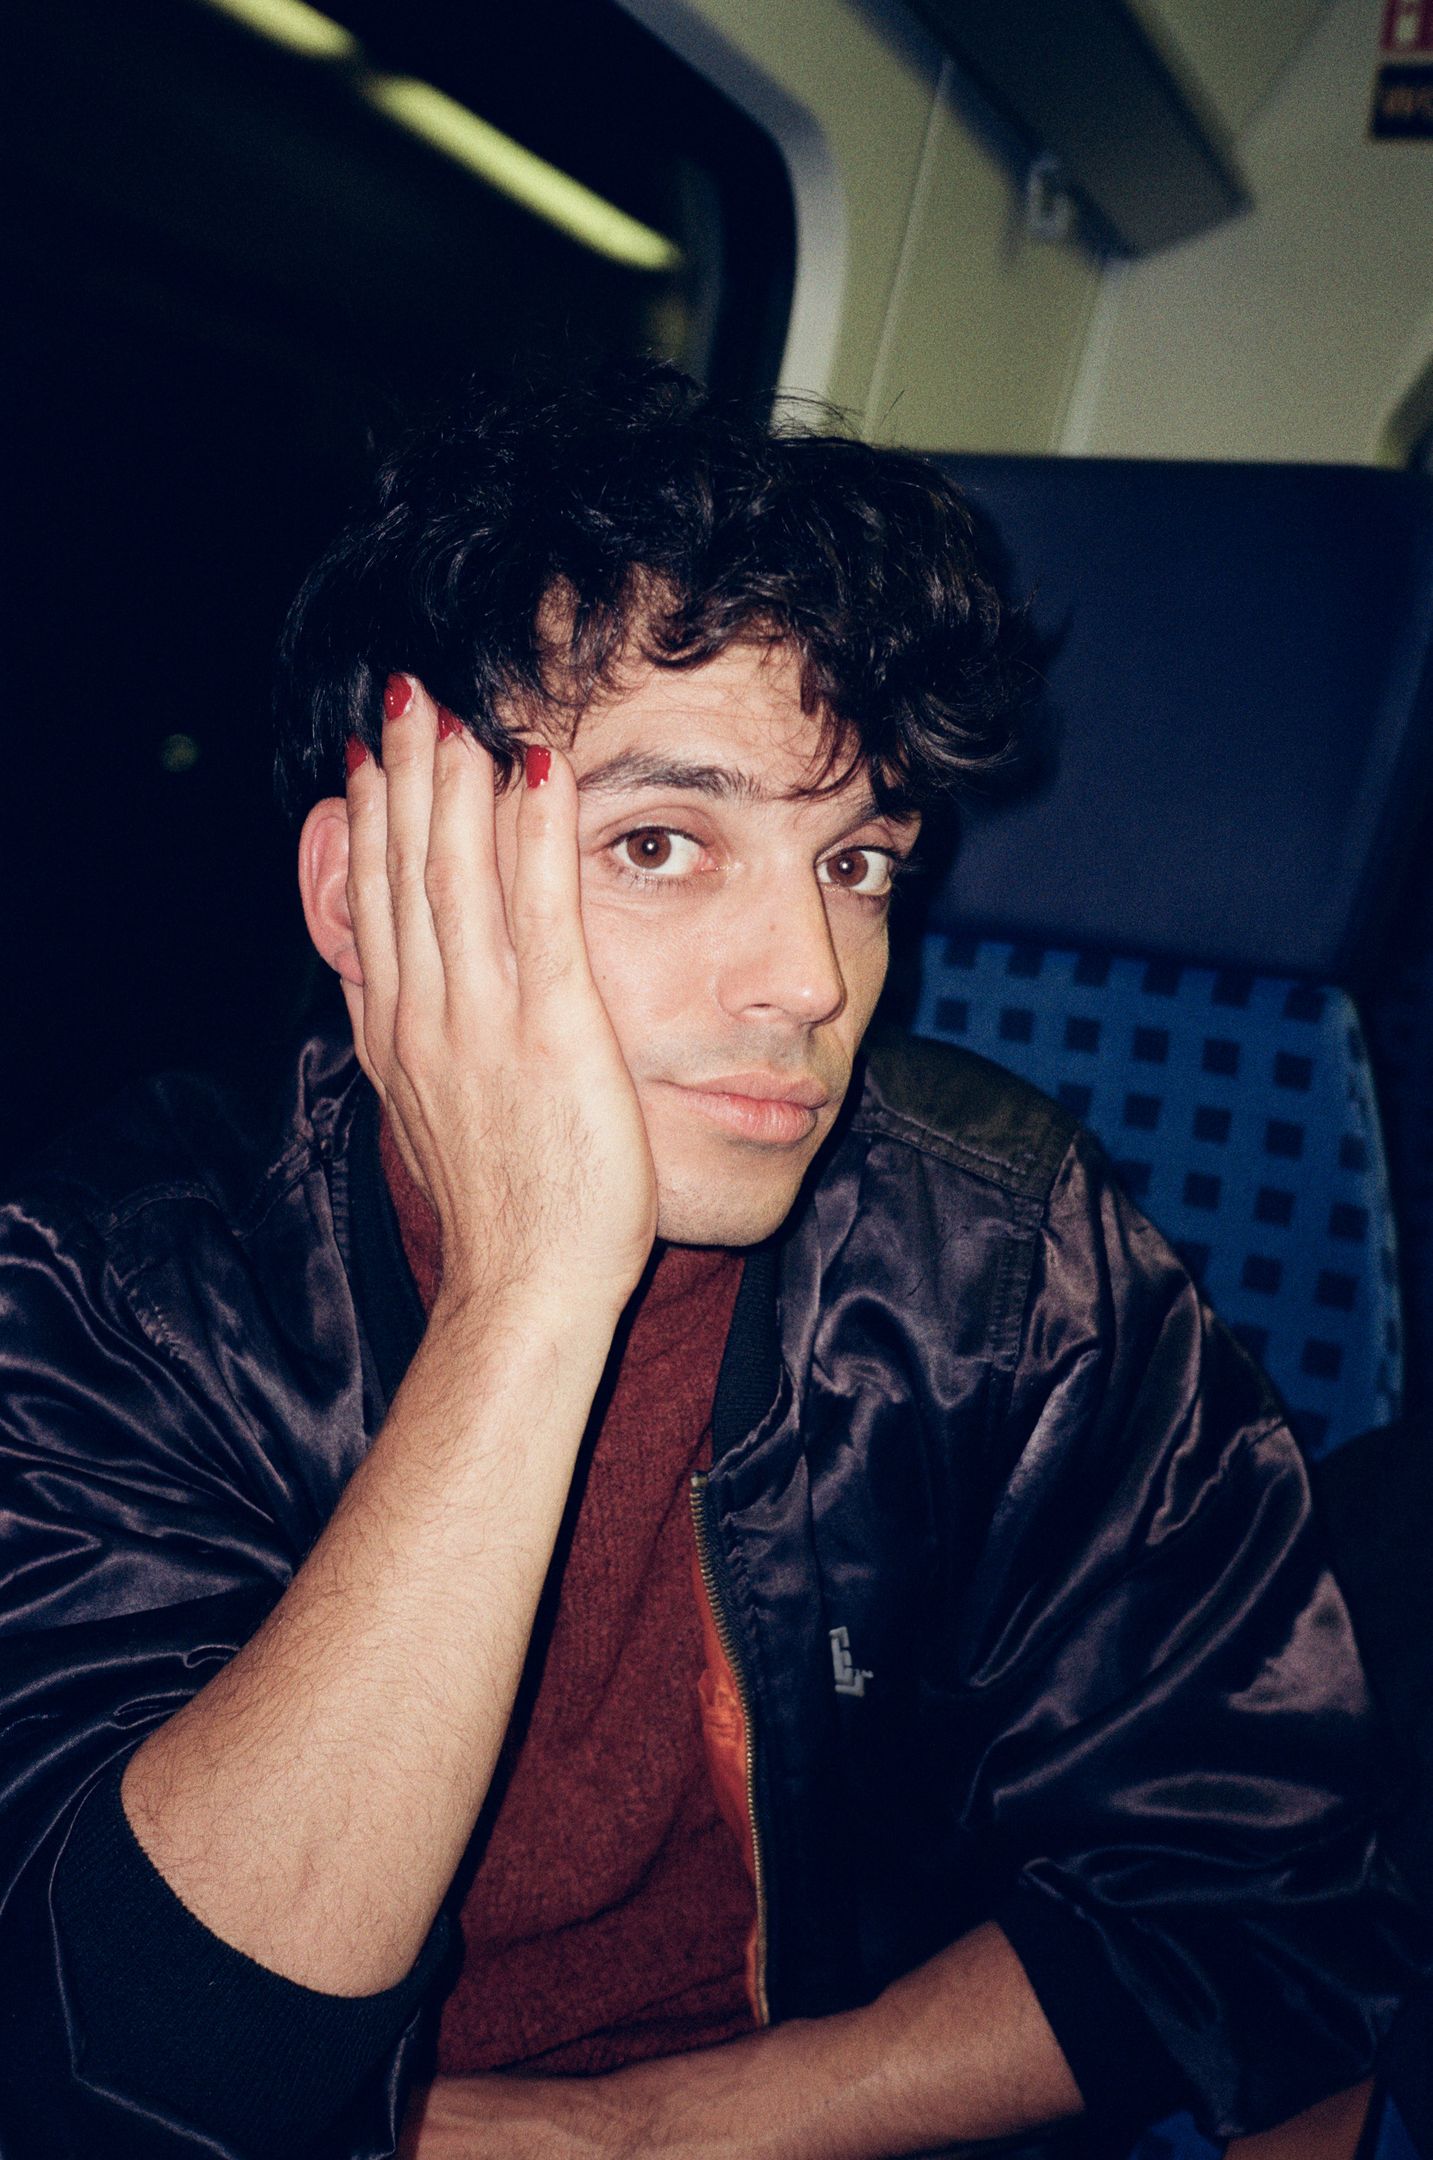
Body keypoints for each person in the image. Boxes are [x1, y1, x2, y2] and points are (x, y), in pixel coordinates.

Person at [0, 360, 1425, 2160]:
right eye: (661, 844)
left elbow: (1257, 1900)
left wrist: (646, 2137)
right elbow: (124, 2077)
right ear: (368, 895)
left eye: (858, 863)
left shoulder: (994, 1258)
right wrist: (530, 1293)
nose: (813, 979)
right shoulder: (117, 1290)